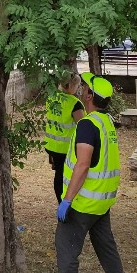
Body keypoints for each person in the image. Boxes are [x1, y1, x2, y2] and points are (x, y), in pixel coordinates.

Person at [55, 71, 130, 273]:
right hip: (101, 204)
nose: (83, 89)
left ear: (89, 96)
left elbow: (83, 164)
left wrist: (67, 200)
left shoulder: (87, 125)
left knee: (66, 249)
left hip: (82, 204)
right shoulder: (106, 122)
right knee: (107, 250)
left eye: (86, 87)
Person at [44, 71, 85, 202]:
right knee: (65, 176)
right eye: (77, 86)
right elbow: (82, 125)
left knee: (58, 175)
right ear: (71, 86)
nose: (78, 89)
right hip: (66, 148)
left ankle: (61, 200)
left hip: (51, 145)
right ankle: (65, 201)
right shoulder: (74, 103)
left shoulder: (51, 98)